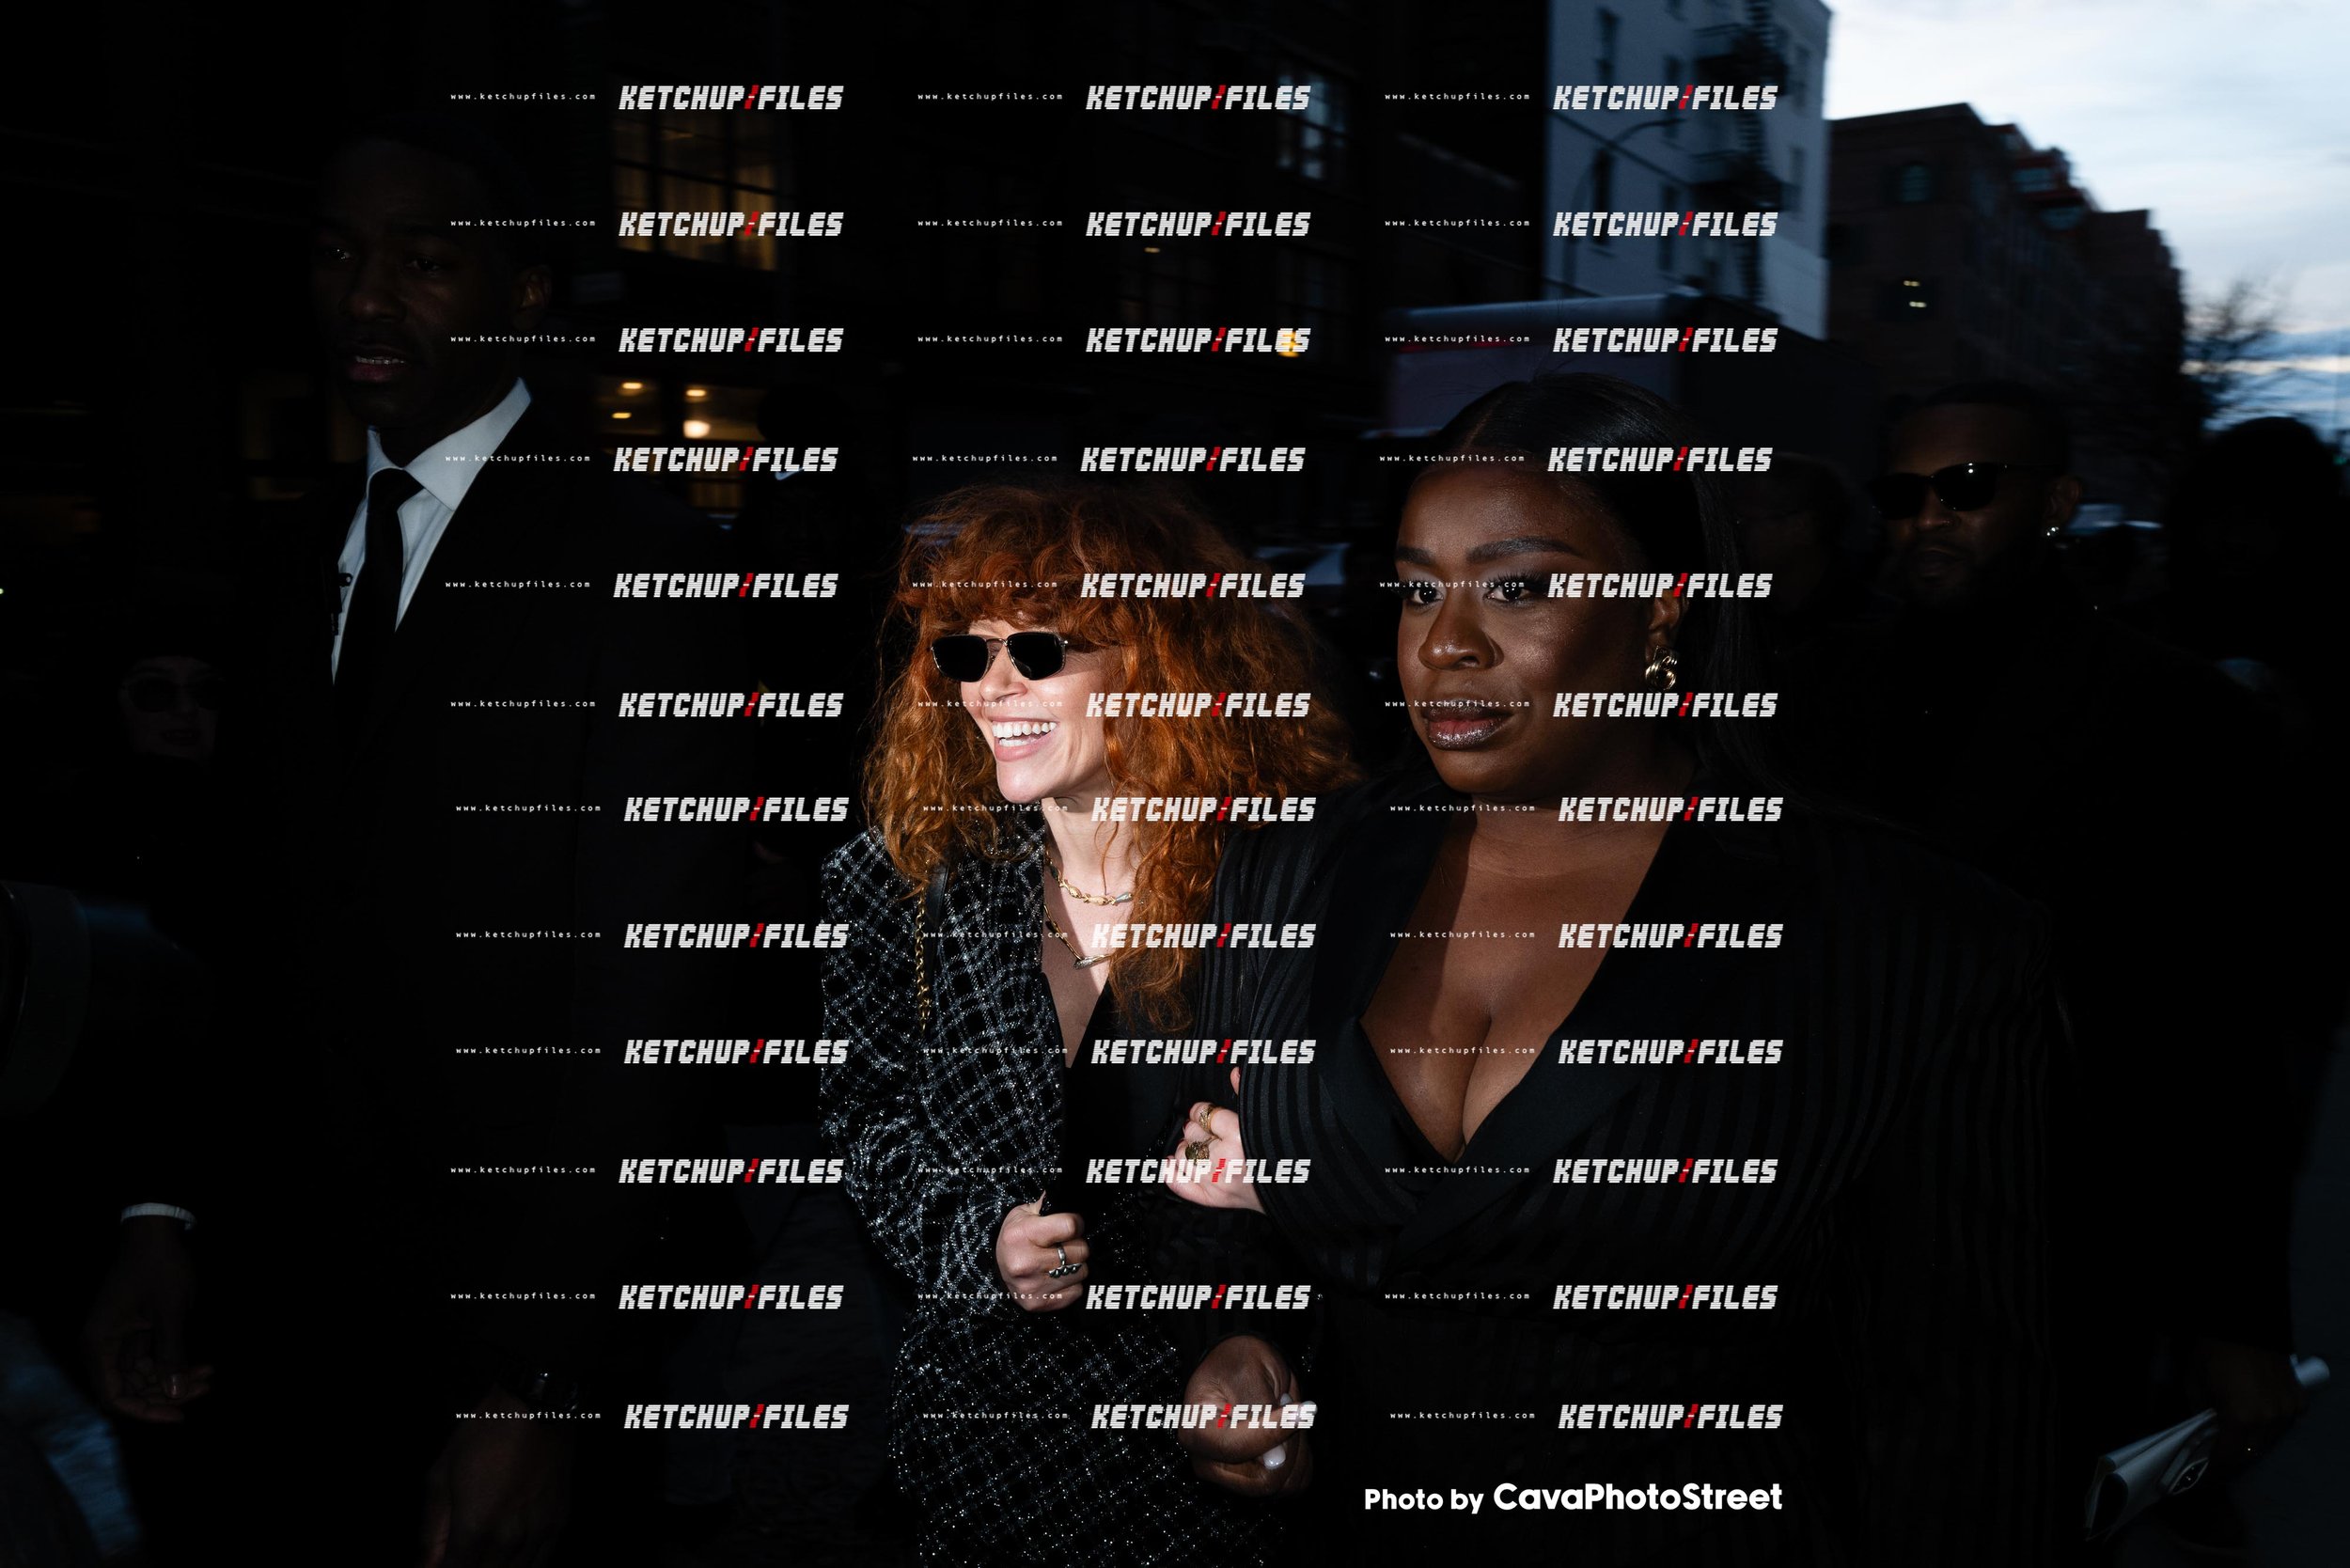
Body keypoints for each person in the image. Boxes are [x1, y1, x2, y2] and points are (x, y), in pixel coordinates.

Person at [1153, 373, 2060, 1561]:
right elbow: (1227, 1200)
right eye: (1415, 590)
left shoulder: (1906, 938)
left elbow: (1968, 1406)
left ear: (1663, 609)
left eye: (1518, 589)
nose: (1445, 643)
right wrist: (1231, 1341)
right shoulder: (1288, 874)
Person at [78, 115, 752, 1562]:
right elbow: (231, 944)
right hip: (276, 1344)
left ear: (523, 298)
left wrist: (536, 1387)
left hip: (506, 1350)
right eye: (337, 257)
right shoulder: (280, 573)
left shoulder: (646, 563)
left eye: (423, 263)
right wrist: (159, 1211)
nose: (366, 298)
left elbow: (651, 1012)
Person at [1782, 382, 2305, 1557]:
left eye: (1968, 487)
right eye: (1904, 493)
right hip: (1824, 1239)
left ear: (2058, 502)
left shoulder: (2180, 717)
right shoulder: (1817, 695)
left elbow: (2219, 1026)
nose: (1929, 517)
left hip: (2056, 1239)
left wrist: (2231, 1317)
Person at [817, 481, 1354, 1563]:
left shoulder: (1286, 882)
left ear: (1162, 661)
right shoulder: (902, 881)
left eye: (1041, 650)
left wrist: (1260, 1327)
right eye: (966, 655)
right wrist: (980, 1245)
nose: (993, 688)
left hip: (1201, 1465)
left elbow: (1353, 1182)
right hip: (983, 1459)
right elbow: (864, 1129)